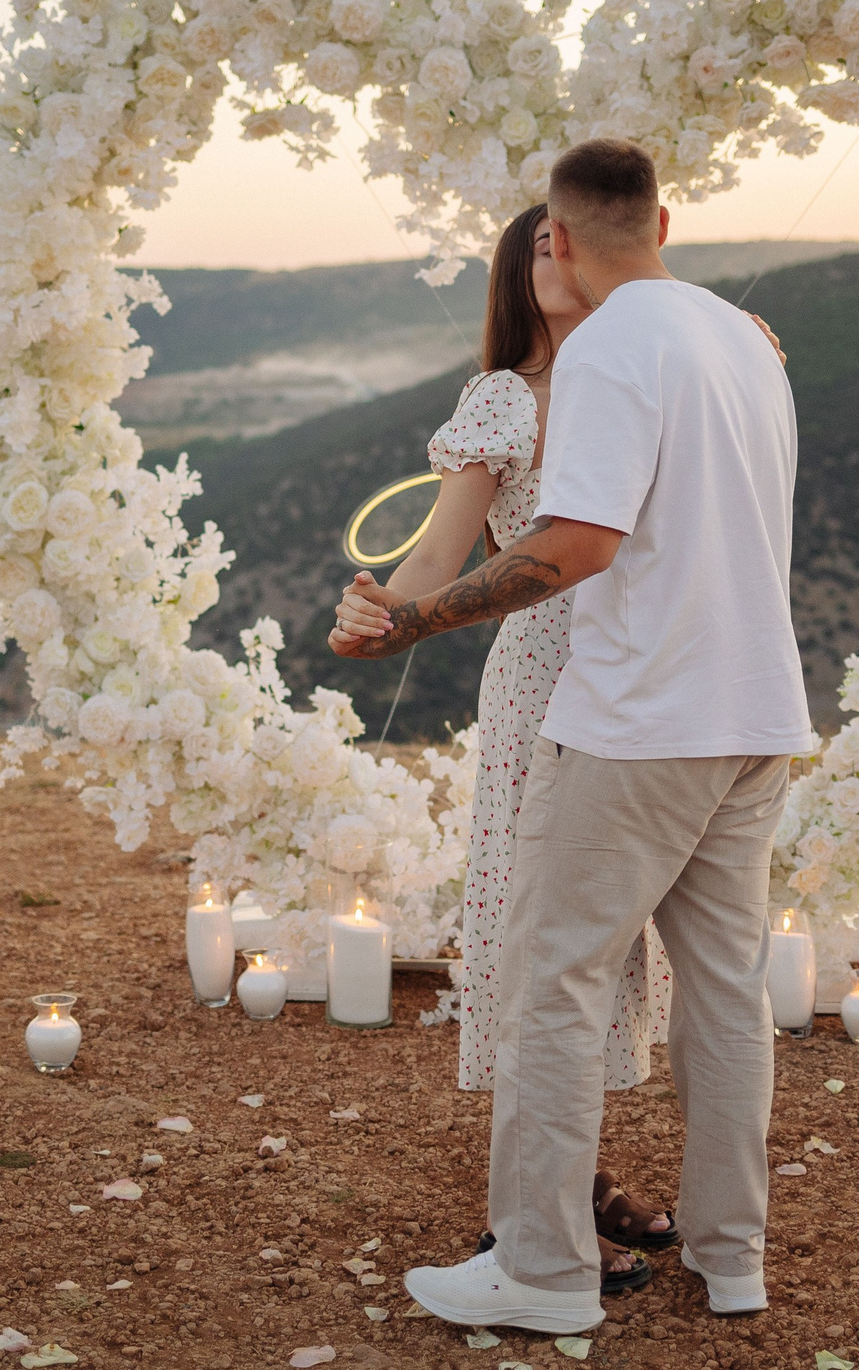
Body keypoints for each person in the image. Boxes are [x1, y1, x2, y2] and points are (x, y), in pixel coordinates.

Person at [332, 137, 814, 1336]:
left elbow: (575, 545)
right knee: (722, 994)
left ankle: (543, 1272)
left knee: (550, 984)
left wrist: (412, 624)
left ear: (554, 236)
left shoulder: (607, 347)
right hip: (754, 710)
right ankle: (731, 1257)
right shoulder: (744, 341)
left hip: (640, 719)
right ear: (666, 219)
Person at [328, 203, 678, 1297]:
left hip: (656, 677)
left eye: (569, 237)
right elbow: (440, 548)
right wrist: (383, 612)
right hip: (544, 679)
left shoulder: (654, 370)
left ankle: (569, 1187)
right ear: (516, 273)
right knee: (540, 931)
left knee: (608, 939)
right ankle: (535, 1221)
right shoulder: (503, 399)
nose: (559, 254)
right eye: (537, 243)